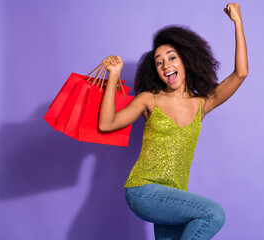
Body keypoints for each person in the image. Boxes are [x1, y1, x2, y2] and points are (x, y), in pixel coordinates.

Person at [99, 3, 248, 240]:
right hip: (142, 190)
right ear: (156, 70)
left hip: (173, 197)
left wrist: (238, 22)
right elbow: (107, 124)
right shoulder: (149, 99)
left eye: (171, 57)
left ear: (185, 61)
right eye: (159, 62)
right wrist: (114, 76)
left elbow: (240, 73)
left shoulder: (202, 104)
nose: (166, 65)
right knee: (213, 214)